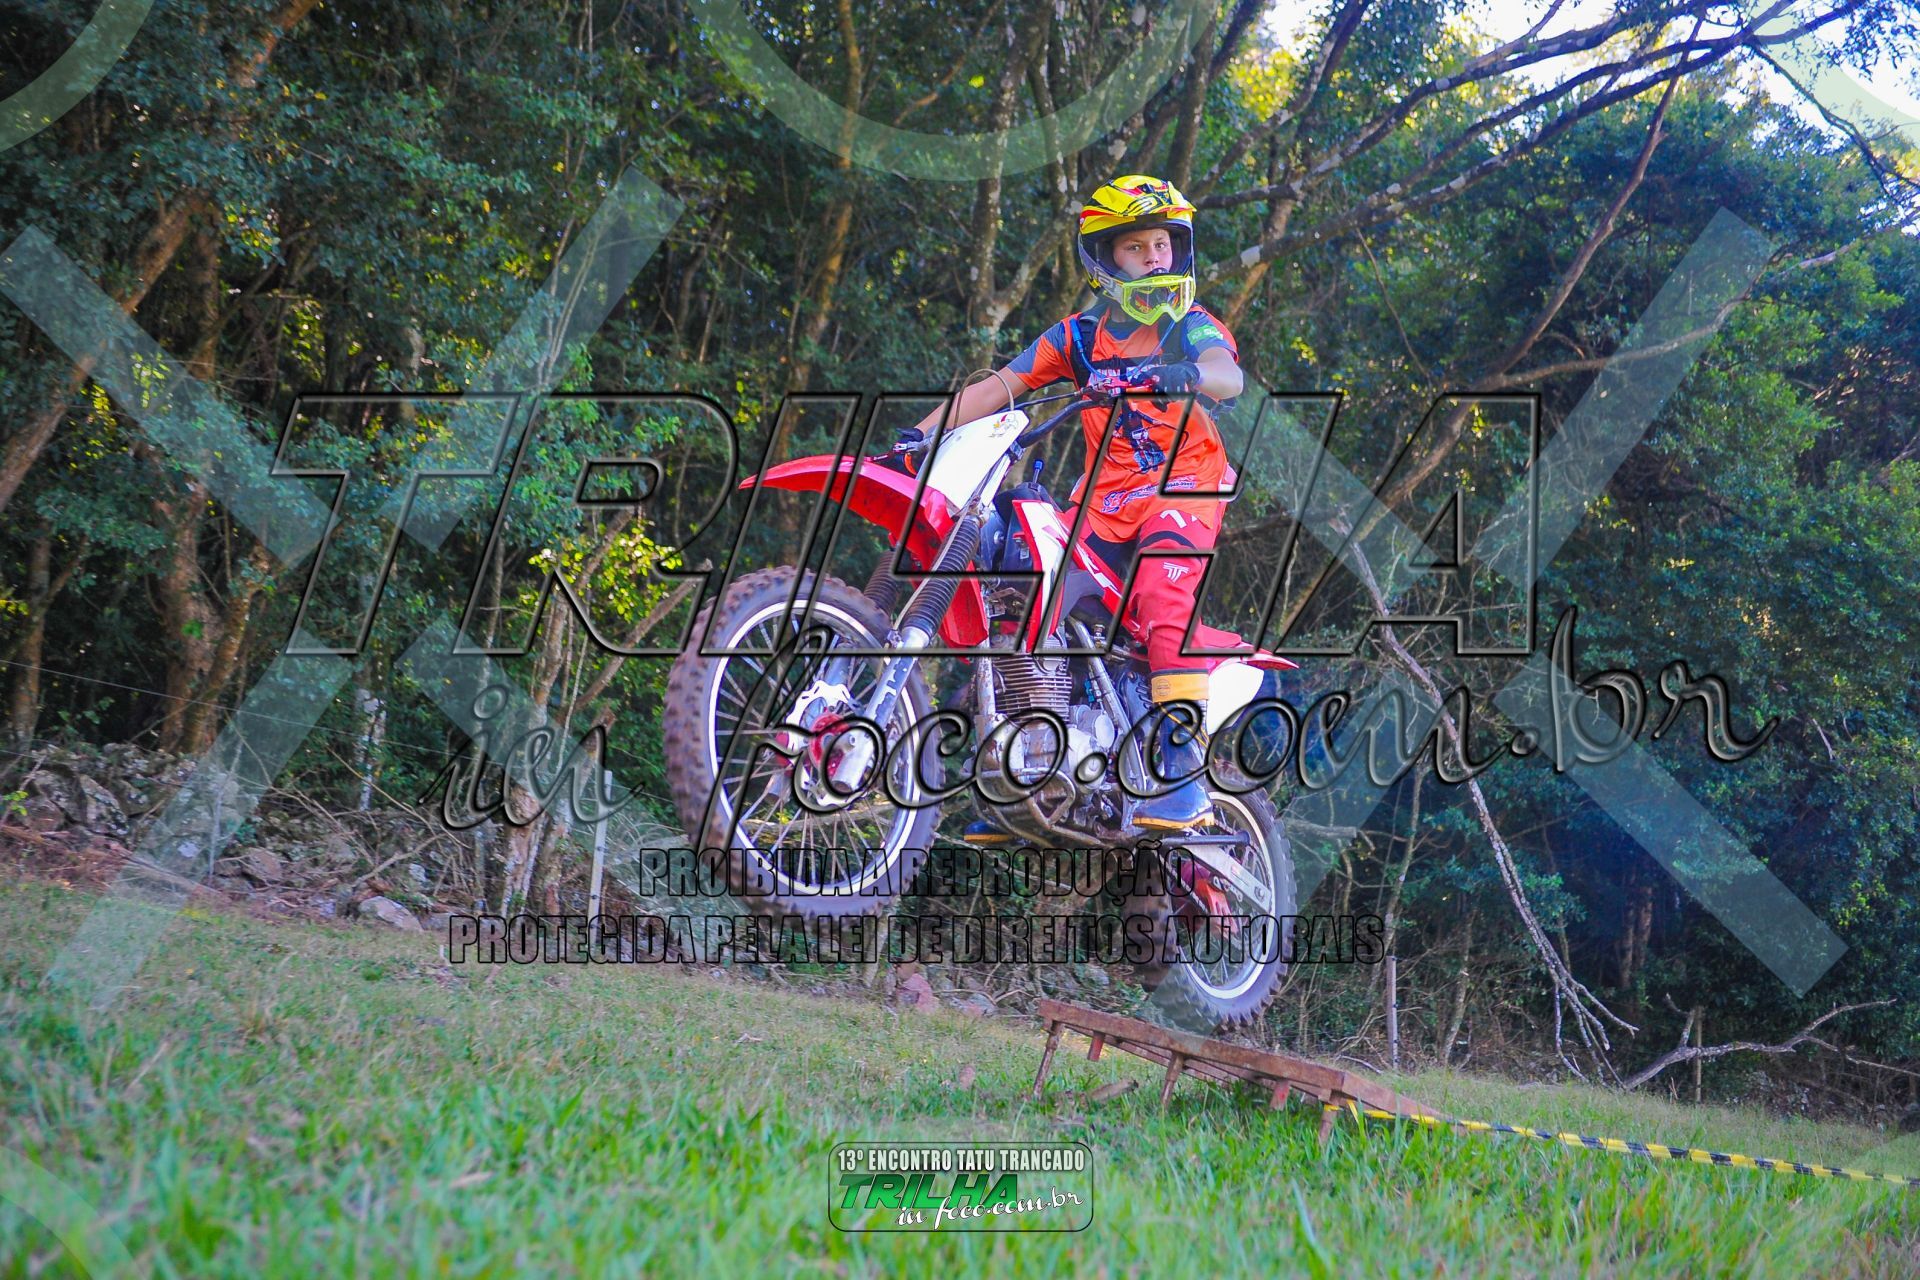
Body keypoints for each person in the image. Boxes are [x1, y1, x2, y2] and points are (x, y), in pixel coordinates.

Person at [902, 174, 1244, 832]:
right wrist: (914, 438)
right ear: (1104, 258)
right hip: (1103, 504)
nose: (1155, 259)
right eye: (1137, 247)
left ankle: (1182, 773)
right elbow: (999, 387)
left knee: (1163, 595)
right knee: (1023, 594)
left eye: (1163, 244)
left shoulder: (1188, 325)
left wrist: (1186, 372)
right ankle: (1027, 771)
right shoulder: (1078, 338)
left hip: (1185, 487)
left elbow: (1228, 376)